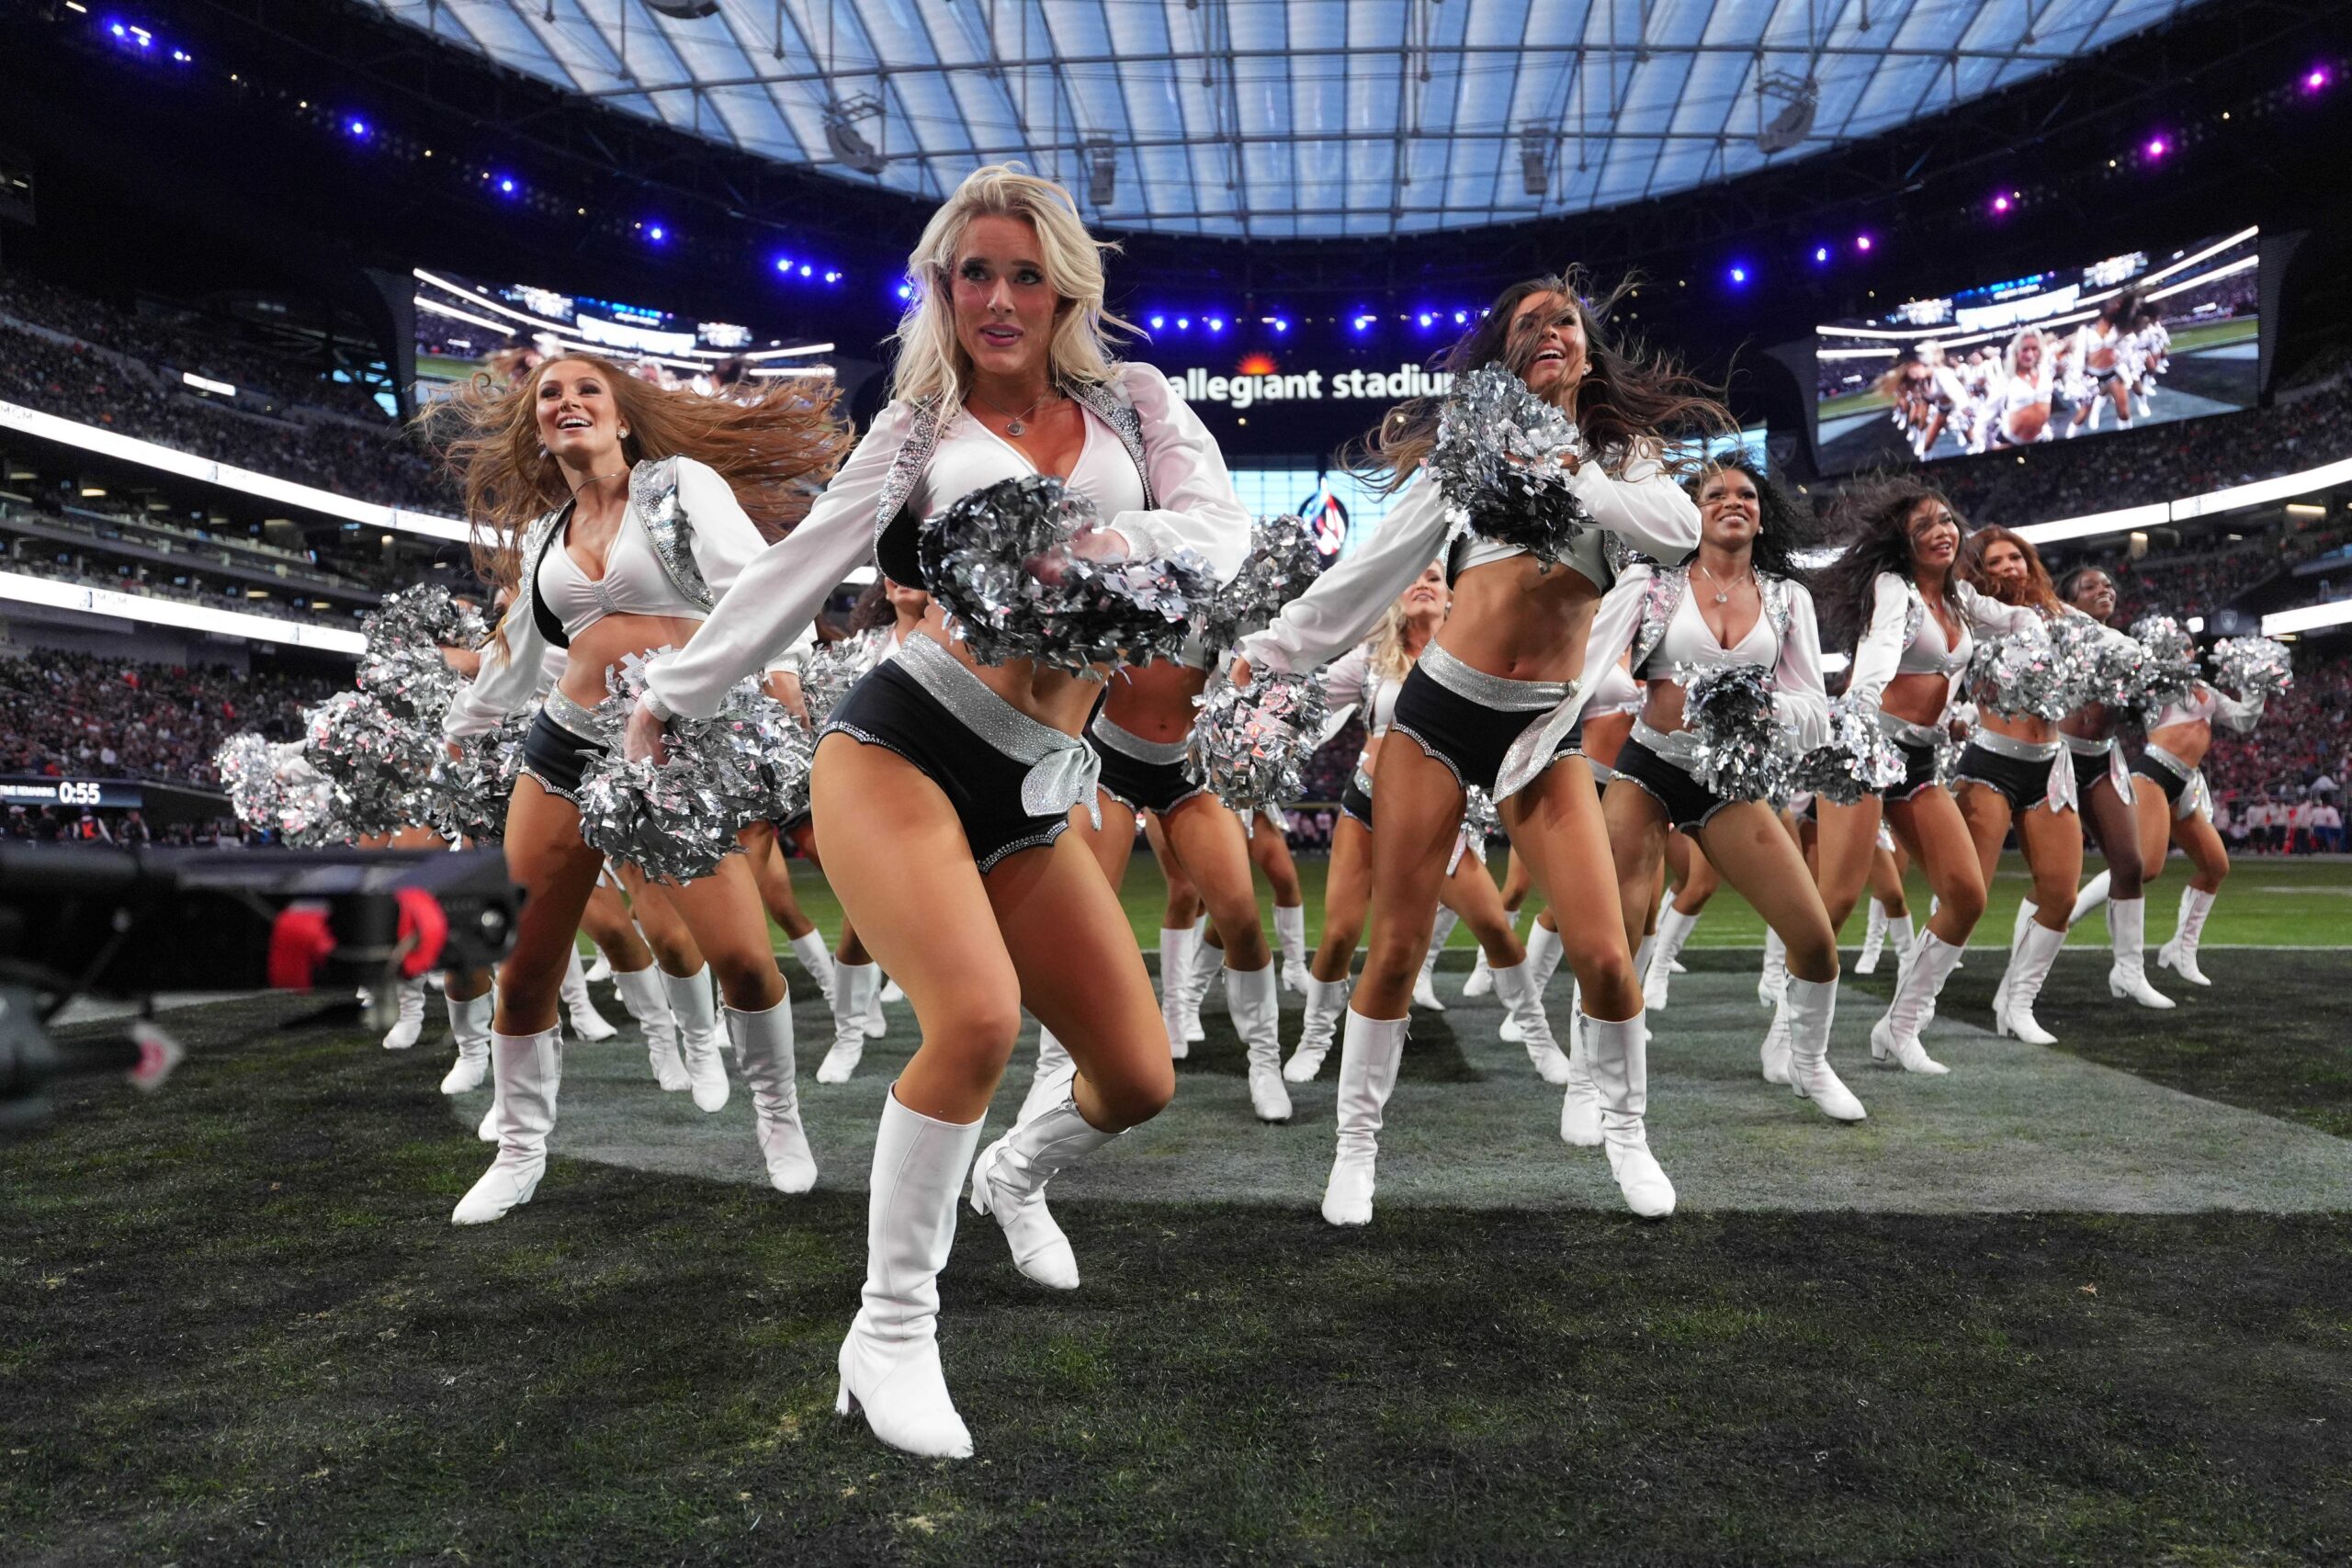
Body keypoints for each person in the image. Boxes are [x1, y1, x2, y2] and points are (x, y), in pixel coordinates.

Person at [625, 165, 1250, 1460]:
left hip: (1033, 790)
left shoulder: (1137, 403)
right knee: (974, 1017)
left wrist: (1103, 553)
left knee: (1137, 1076)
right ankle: (891, 1326)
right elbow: (801, 565)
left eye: (1027, 272)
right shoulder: (917, 425)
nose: (1002, 297)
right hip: (901, 743)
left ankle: (1012, 1174)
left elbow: (1220, 534)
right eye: (977, 272)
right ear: (943, 288)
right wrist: (675, 690)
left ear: (1066, 282)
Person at [1237, 271, 1722, 1224]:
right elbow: (1371, 574)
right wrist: (1265, 653)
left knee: (1606, 957)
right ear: (1503, 354)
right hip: (1438, 715)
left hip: (1542, 735)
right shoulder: (1465, 456)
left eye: (1565, 322)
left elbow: (1679, 531)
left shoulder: (1627, 461)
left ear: (1587, 346)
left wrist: (1567, 463)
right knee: (1397, 947)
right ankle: (1355, 1149)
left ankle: (1626, 1134)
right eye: (1528, 324)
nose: (1550, 333)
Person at [427, 349, 842, 1223]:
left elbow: (756, 587)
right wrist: (463, 730)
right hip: (564, 747)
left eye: (588, 391)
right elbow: (514, 657)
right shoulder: (544, 538)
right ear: (539, 427)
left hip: (678, 748)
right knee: (529, 959)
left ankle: (777, 1115)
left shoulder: (681, 484)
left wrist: (789, 679)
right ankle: (519, 1150)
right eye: (550, 395)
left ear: (621, 417)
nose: (567, 402)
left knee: (741, 957)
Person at [1579, 459, 1857, 1120]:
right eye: (1715, 494)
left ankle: (1807, 1061)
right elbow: (1591, 668)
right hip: (1649, 763)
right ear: (1693, 513)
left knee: (1815, 940)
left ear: (1763, 515)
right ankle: (1591, 1084)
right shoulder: (1652, 583)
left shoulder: (1791, 599)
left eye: (1747, 494)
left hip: (1729, 782)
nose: (1732, 502)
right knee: (1613, 936)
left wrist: (1761, 711)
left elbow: (1814, 711)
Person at [1282, 563, 1566, 1088]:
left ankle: (1538, 1036)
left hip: (1441, 818)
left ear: (1451, 594)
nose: (1422, 583)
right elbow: (1305, 699)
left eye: (1435, 577)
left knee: (1495, 929)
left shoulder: (1472, 655)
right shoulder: (1368, 663)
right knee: (1342, 933)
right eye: (1413, 575)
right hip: (1367, 807)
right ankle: (1315, 1039)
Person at [1810, 479, 2041, 1075]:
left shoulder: (1961, 598)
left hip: (1917, 761)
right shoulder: (1894, 588)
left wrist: (2039, 636)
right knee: (1833, 899)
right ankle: (1793, 1039)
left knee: (1966, 894)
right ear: (1903, 542)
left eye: (1945, 520)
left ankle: (1901, 1024)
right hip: (1867, 744)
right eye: (1923, 527)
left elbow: (2014, 621)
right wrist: (1861, 708)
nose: (1940, 531)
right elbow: (1883, 652)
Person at [1951, 527, 2093, 1043]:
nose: (2011, 567)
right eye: (1996, 562)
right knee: (1967, 894)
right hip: (1990, 759)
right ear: (1979, 573)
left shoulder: (2062, 617)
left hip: (2050, 765)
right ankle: (1910, 1010)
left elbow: (2112, 647)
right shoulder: (1972, 618)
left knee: (2060, 893)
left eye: (2017, 557)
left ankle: (2017, 1003)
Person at [2052, 566, 2173, 1010]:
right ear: (2071, 599)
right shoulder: (2054, 632)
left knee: (2130, 863)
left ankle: (2129, 972)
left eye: (2108, 586)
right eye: (2091, 586)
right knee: (2055, 881)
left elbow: (2147, 712)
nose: (2104, 590)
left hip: (2102, 756)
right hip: (2055, 754)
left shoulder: (2129, 649)